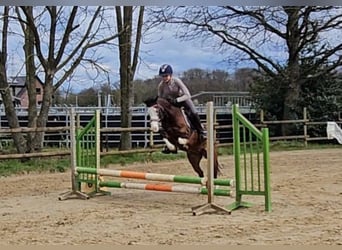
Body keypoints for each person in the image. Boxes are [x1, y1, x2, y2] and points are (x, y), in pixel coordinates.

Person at [157, 64, 205, 154]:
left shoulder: (177, 81)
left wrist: (177, 100)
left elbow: (187, 94)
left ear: (170, 75)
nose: (164, 78)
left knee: (193, 112)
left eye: (166, 76)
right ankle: (169, 142)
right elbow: (160, 99)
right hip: (171, 104)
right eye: (162, 76)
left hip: (183, 99)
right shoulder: (161, 85)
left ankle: (201, 131)